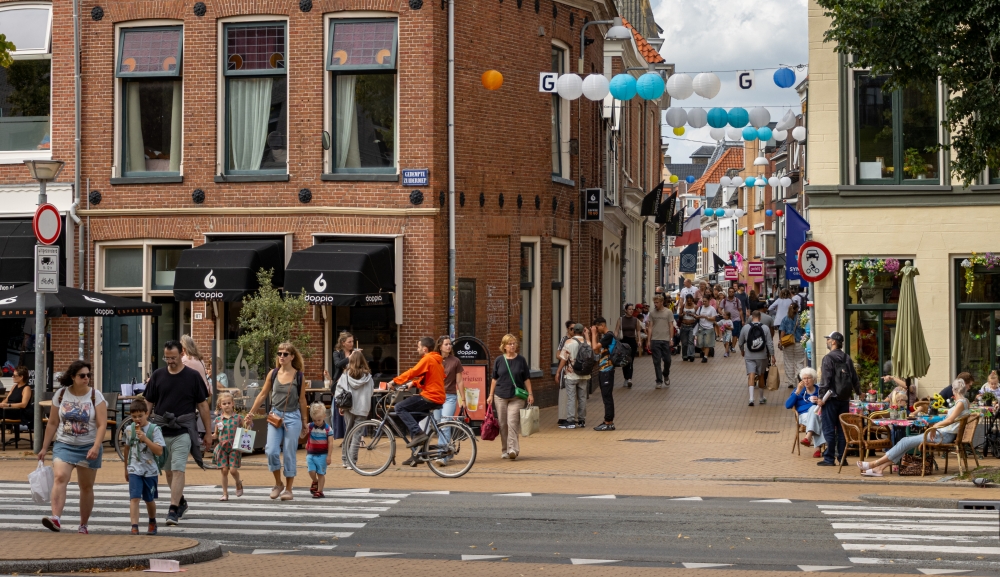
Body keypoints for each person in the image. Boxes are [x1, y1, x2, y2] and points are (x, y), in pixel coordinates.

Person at [145, 342, 213, 525]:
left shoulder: (193, 376)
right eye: (166, 358)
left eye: (173, 358)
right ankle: (181, 500)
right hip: (161, 429)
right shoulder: (158, 375)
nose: (170, 361)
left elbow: (202, 405)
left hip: (183, 429)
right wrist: (141, 425)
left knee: (178, 469)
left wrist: (208, 432)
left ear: (182, 354)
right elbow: (148, 402)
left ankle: (173, 509)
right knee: (168, 472)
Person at [38, 361, 107, 533]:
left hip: (88, 446)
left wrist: (96, 446)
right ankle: (56, 518)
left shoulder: (95, 396)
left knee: (86, 486)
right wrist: (44, 447)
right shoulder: (61, 395)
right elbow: (52, 423)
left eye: (88, 375)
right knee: (60, 477)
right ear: (73, 377)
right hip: (64, 444)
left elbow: (102, 425)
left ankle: (83, 524)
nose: (86, 378)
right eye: (82, 375)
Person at [859, 378, 972, 476]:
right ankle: (879, 468)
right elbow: (953, 418)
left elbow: (950, 420)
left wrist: (934, 427)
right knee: (906, 444)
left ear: (953, 389)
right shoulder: (964, 401)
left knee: (905, 441)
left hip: (944, 435)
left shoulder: (961, 403)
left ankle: (874, 463)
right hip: (943, 434)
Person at [245, 342, 308, 501]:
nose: (281, 356)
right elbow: (262, 395)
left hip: (293, 417)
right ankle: (278, 483)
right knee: (271, 450)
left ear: (292, 357)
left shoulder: (299, 376)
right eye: (279, 353)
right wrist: (251, 413)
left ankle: (289, 489)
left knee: (289, 452)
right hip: (275, 416)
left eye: (285, 354)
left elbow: (302, 400)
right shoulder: (273, 374)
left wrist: (305, 422)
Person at [392, 337, 447, 460]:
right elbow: (429, 380)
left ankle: (419, 434)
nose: (417, 349)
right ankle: (417, 455)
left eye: (418, 347)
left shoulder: (428, 359)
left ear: (425, 349)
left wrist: (395, 381)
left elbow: (413, 372)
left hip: (430, 396)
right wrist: (414, 383)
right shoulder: (437, 360)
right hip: (438, 396)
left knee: (399, 407)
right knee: (412, 419)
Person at [816, 331, 861, 467]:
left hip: (830, 399)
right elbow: (854, 378)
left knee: (829, 428)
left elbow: (825, 380)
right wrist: (859, 392)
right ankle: (842, 458)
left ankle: (829, 458)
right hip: (844, 398)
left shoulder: (828, 358)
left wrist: (821, 398)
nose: (827, 341)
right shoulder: (847, 357)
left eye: (828, 339)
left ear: (834, 342)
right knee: (842, 429)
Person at [122, 396, 164, 534]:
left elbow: (159, 451)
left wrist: (145, 439)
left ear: (147, 413)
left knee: (149, 499)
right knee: (134, 498)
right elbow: (127, 448)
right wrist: (126, 468)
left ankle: (152, 521)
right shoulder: (129, 429)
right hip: (134, 468)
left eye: (140, 416)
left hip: (150, 470)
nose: (137, 419)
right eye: (134, 417)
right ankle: (134, 526)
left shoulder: (154, 429)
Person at [487, 334, 533, 459]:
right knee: (503, 424)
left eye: (514, 343)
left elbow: (526, 378)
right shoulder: (499, 360)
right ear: (504, 346)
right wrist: (490, 395)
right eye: (510, 344)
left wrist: (530, 393)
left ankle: (512, 449)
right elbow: (494, 379)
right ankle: (505, 449)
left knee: (512, 422)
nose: (512, 346)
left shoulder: (521, 360)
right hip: (500, 396)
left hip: (517, 397)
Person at [338, 349, 374, 468]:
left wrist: (341, 406)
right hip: (362, 408)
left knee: (348, 432)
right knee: (357, 435)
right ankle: (352, 462)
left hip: (349, 406)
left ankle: (345, 460)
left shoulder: (345, 375)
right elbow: (371, 392)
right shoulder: (368, 377)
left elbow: (339, 390)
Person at [433, 336, 465, 463]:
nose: (449, 346)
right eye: (446, 344)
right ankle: (449, 451)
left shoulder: (455, 361)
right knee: (439, 425)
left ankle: (442, 455)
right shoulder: (434, 359)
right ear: (440, 346)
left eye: (450, 344)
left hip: (450, 397)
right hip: (436, 396)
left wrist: (463, 399)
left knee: (445, 424)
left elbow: (460, 381)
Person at [785, 368, 826, 456]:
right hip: (803, 416)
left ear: (814, 379)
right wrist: (797, 391)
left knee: (815, 413)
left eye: (808, 378)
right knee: (814, 412)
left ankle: (808, 437)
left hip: (818, 414)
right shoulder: (799, 390)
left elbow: (826, 403)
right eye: (804, 378)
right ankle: (817, 447)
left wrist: (820, 401)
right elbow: (787, 405)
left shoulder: (819, 390)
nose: (806, 381)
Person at [556, 323, 590, 427]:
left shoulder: (569, 342)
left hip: (571, 375)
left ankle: (570, 421)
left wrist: (558, 372)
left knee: (571, 398)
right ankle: (582, 420)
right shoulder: (587, 343)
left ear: (574, 331)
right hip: (584, 375)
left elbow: (563, 359)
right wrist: (587, 335)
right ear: (582, 331)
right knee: (582, 398)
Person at [739, 310, 775, 407]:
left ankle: (751, 398)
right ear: (760, 318)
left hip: (749, 355)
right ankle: (761, 398)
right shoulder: (765, 328)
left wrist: (742, 350)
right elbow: (769, 343)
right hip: (762, 355)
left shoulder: (745, 327)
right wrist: (772, 355)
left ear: (751, 317)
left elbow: (740, 341)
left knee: (751, 375)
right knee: (761, 376)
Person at [212, 392, 243, 501]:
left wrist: (249, 423)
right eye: (224, 403)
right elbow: (216, 434)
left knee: (233, 470)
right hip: (222, 447)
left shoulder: (238, 418)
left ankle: (238, 482)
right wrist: (212, 436)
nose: (227, 405)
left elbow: (246, 429)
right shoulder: (218, 420)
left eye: (229, 403)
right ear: (220, 405)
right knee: (224, 471)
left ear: (233, 403)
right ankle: (225, 493)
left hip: (234, 447)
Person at [589, 318, 617, 431]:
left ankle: (608, 422)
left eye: (597, 327)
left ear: (602, 325)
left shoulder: (608, 336)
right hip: (604, 370)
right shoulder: (605, 337)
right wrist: (594, 336)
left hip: (607, 370)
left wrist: (593, 333)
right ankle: (608, 421)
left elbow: (594, 347)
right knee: (606, 396)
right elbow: (596, 351)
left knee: (607, 396)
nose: (597, 329)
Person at [305, 402, 334, 497]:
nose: (317, 422)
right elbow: (303, 434)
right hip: (311, 453)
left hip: (322, 454)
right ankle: (315, 481)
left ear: (324, 416)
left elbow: (330, 443)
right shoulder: (310, 426)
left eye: (319, 420)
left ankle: (320, 490)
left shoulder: (328, 429)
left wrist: (329, 456)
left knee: (321, 473)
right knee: (311, 471)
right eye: (314, 420)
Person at [648, 295, 675, 389]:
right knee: (657, 361)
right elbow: (650, 327)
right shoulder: (652, 313)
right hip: (655, 339)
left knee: (667, 360)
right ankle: (659, 380)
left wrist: (671, 339)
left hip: (665, 339)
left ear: (662, 302)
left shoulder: (668, 312)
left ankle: (665, 374)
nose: (655, 304)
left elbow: (671, 326)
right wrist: (649, 340)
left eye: (657, 302)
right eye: (654, 302)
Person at [779, 302, 807, 389]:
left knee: (789, 363)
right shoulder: (801, 319)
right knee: (799, 362)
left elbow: (782, 332)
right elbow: (805, 331)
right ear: (797, 309)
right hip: (799, 343)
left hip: (788, 343)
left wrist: (780, 342)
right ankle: (800, 377)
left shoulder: (785, 319)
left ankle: (791, 382)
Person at [0, 366, 32, 435]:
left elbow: (23, 404)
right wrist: (2, 404)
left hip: (19, 412)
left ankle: (6, 430)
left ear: (21, 377)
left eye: (14, 375)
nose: (12, 377)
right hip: (9, 410)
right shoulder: (14, 386)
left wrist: (8, 405)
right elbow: (7, 399)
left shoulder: (26, 388)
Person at [614, 304, 640, 387]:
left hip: (632, 341)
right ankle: (626, 378)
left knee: (630, 360)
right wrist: (614, 339)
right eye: (629, 309)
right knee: (624, 360)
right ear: (625, 310)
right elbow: (616, 330)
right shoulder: (621, 320)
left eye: (632, 309)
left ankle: (629, 378)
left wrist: (639, 340)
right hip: (623, 341)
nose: (631, 311)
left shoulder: (635, 320)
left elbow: (638, 331)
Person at [555, 320, 575, 427]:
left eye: (575, 329)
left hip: (575, 371)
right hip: (565, 370)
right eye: (571, 329)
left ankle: (572, 417)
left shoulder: (577, 339)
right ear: (567, 329)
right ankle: (562, 417)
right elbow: (558, 354)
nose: (573, 331)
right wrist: (566, 358)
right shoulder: (564, 340)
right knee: (564, 392)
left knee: (573, 394)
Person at [721, 287, 744, 355]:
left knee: (735, 334)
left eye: (732, 292)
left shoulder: (737, 300)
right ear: (728, 292)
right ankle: (730, 344)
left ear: (734, 293)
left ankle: (733, 347)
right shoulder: (724, 301)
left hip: (736, 319)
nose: (731, 293)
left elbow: (740, 310)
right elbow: (719, 308)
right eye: (730, 291)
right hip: (727, 320)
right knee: (727, 334)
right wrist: (722, 314)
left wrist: (742, 320)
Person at [695, 298, 718, 363]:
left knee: (707, 343)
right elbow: (697, 315)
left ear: (709, 301)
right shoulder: (700, 308)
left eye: (705, 301)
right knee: (700, 343)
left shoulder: (712, 309)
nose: (704, 302)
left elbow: (714, 318)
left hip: (709, 327)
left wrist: (706, 317)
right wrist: (696, 316)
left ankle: (705, 357)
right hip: (701, 326)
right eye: (703, 301)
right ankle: (705, 351)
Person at [678, 295, 699, 362]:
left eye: (690, 300)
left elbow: (698, 316)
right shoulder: (683, 306)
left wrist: (693, 315)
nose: (689, 302)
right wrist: (683, 314)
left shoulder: (695, 307)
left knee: (691, 341)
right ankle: (685, 355)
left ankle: (691, 355)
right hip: (684, 326)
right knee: (684, 342)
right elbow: (679, 315)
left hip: (692, 326)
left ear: (692, 300)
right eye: (688, 300)